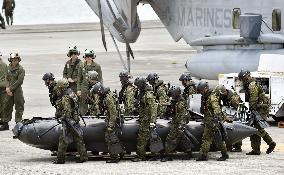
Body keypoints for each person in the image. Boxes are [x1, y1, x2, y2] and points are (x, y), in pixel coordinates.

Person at [238, 70, 276, 155]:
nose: (242, 81)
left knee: (257, 128)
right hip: (258, 108)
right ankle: (256, 149)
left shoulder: (252, 85)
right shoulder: (250, 84)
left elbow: (253, 99)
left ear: (247, 76)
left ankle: (271, 143)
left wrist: (251, 110)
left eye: (243, 78)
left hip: (260, 109)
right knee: (254, 128)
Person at [53, 78, 88, 164]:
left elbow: (67, 111)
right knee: (78, 138)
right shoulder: (71, 92)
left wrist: (62, 117)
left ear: (61, 87)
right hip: (75, 119)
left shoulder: (65, 96)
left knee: (63, 139)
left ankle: (60, 159)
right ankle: (83, 156)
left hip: (69, 121)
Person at [91, 82, 124, 163]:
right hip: (112, 119)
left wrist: (110, 125)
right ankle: (121, 152)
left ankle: (114, 157)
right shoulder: (107, 95)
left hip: (112, 120)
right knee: (114, 138)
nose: (97, 95)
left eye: (97, 93)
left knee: (110, 139)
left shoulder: (108, 98)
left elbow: (113, 113)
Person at [196, 81, 229, 161]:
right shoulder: (205, 96)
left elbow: (216, 108)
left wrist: (216, 119)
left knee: (217, 139)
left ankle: (224, 154)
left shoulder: (212, 97)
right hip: (208, 121)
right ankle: (203, 155)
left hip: (213, 121)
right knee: (206, 138)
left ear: (205, 88)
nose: (201, 92)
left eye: (201, 90)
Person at [161, 85, 192, 162]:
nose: (171, 96)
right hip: (176, 120)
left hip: (179, 122)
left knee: (171, 137)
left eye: (172, 94)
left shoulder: (180, 103)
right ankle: (189, 151)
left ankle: (167, 154)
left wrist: (181, 126)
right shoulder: (176, 101)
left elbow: (183, 116)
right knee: (182, 137)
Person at [132, 77, 158, 162]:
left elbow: (153, 108)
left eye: (138, 86)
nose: (137, 87)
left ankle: (140, 156)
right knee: (149, 138)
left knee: (142, 139)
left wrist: (152, 121)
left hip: (147, 120)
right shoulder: (143, 93)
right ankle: (153, 155)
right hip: (144, 118)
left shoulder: (148, 95)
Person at [215, 85, 243, 152]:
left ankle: (238, 146)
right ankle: (229, 146)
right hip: (228, 111)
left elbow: (237, 107)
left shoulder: (233, 98)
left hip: (235, 112)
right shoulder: (222, 95)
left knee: (235, 128)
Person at [77, 49, 102, 115]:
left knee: (95, 103)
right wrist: (78, 89)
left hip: (94, 88)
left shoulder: (97, 66)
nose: (89, 58)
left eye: (90, 56)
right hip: (84, 88)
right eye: (87, 56)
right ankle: (83, 117)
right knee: (83, 104)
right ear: (85, 57)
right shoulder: (81, 66)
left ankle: (95, 116)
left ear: (93, 57)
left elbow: (100, 79)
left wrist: (99, 89)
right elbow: (79, 78)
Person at [3, 53, 25, 127]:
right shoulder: (8, 68)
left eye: (17, 59)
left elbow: (19, 81)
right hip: (8, 89)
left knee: (19, 106)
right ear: (11, 60)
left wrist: (10, 89)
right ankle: (5, 122)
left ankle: (18, 122)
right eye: (14, 60)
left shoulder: (21, 69)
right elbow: (6, 78)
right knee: (7, 105)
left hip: (17, 90)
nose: (16, 61)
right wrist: (7, 87)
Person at [0, 52, 8, 130]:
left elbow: (3, 79)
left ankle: (5, 123)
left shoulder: (2, 65)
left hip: (2, 89)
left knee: (3, 106)